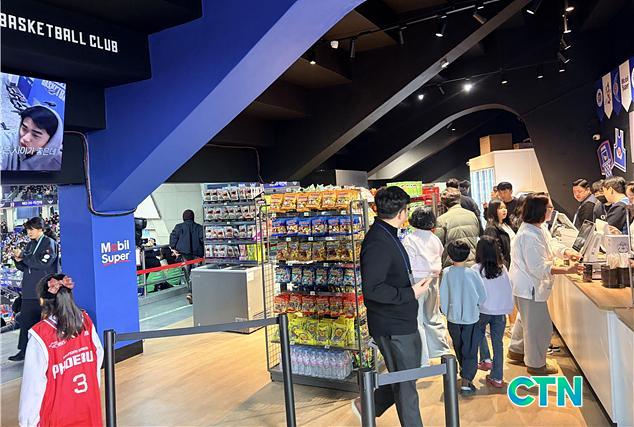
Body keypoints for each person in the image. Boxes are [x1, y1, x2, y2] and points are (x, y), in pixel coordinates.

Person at [353, 186, 431, 426]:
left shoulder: (387, 234)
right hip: (391, 323)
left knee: (408, 371)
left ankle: (370, 404)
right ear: (401, 212)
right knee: (407, 384)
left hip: (400, 317)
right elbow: (373, 289)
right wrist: (411, 292)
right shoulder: (378, 241)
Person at [507, 193, 579, 375]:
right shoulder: (529, 235)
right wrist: (566, 269)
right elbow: (538, 268)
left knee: (526, 320)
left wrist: (566, 252)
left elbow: (551, 244)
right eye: (549, 208)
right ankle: (536, 364)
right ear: (539, 210)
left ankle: (516, 351)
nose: (552, 211)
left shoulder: (537, 228)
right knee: (539, 327)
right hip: (529, 287)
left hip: (526, 286)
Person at [19, 273, 103, 427]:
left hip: (57, 416)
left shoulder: (40, 335)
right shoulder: (86, 322)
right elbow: (97, 361)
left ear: (42, 300)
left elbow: (32, 387)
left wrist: (27, 422)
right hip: (89, 408)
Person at [402, 206, 451, 367]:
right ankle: (441, 351)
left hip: (416, 281)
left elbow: (407, 262)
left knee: (417, 319)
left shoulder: (410, 239)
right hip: (433, 279)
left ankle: (422, 360)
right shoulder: (434, 238)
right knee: (433, 316)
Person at [439, 240, 487, 396]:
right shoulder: (472, 273)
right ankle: (466, 380)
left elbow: (443, 294)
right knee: (471, 348)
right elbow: (482, 296)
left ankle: (464, 370)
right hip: (471, 318)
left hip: (453, 318)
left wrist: (446, 311)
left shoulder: (446, 272)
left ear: (450, 255)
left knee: (458, 346)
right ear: (467, 255)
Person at [9, 217, 59, 362]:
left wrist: (24, 257)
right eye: (28, 230)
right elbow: (25, 266)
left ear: (41, 229)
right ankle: (24, 350)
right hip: (29, 289)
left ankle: (48, 351)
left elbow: (42, 263)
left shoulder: (50, 243)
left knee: (45, 321)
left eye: (32, 229)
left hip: (44, 289)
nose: (29, 232)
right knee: (26, 321)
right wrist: (17, 260)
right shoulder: (30, 245)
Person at [472, 236, 514, 388]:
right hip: (500, 311)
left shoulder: (475, 269)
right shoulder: (502, 269)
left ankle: (485, 359)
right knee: (498, 343)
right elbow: (508, 288)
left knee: (478, 333)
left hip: (482, 310)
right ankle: (497, 377)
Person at [0, 106, 64, 171]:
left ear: (52, 140)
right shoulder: (5, 141)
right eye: (24, 129)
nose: (25, 138)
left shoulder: (58, 163)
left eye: (35, 135)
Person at [435, 188, 480, 267]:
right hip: (472, 263)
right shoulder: (472, 215)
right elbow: (477, 234)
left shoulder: (441, 220)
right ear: (459, 199)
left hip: (453, 265)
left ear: (444, 203)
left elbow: (438, 245)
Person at [170, 209, 204, 302]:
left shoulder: (178, 227)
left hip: (184, 254)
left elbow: (173, 239)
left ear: (183, 217)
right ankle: (193, 292)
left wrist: (174, 248)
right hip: (197, 254)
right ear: (193, 217)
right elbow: (203, 240)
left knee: (187, 273)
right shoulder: (199, 227)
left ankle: (190, 292)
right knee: (195, 273)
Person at [483, 199, 515, 268]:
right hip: (504, 266)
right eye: (500, 208)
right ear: (493, 210)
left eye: (505, 208)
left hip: (513, 262)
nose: (504, 210)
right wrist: (503, 265)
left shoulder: (506, 224)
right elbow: (493, 251)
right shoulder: (491, 228)